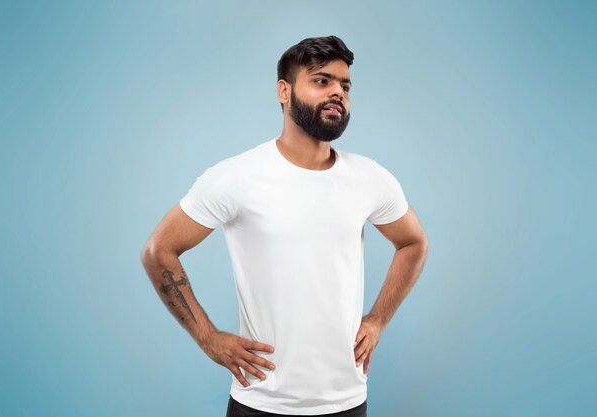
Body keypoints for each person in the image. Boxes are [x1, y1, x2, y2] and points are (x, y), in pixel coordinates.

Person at [140, 35, 428, 417]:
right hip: (261, 402)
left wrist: (377, 321)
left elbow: (413, 243)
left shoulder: (369, 177)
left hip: (347, 401)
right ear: (284, 91)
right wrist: (207, 338)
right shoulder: (236, 177)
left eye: (345, 85)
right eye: (322, 81)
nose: (338, 92)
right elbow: (158, 250)